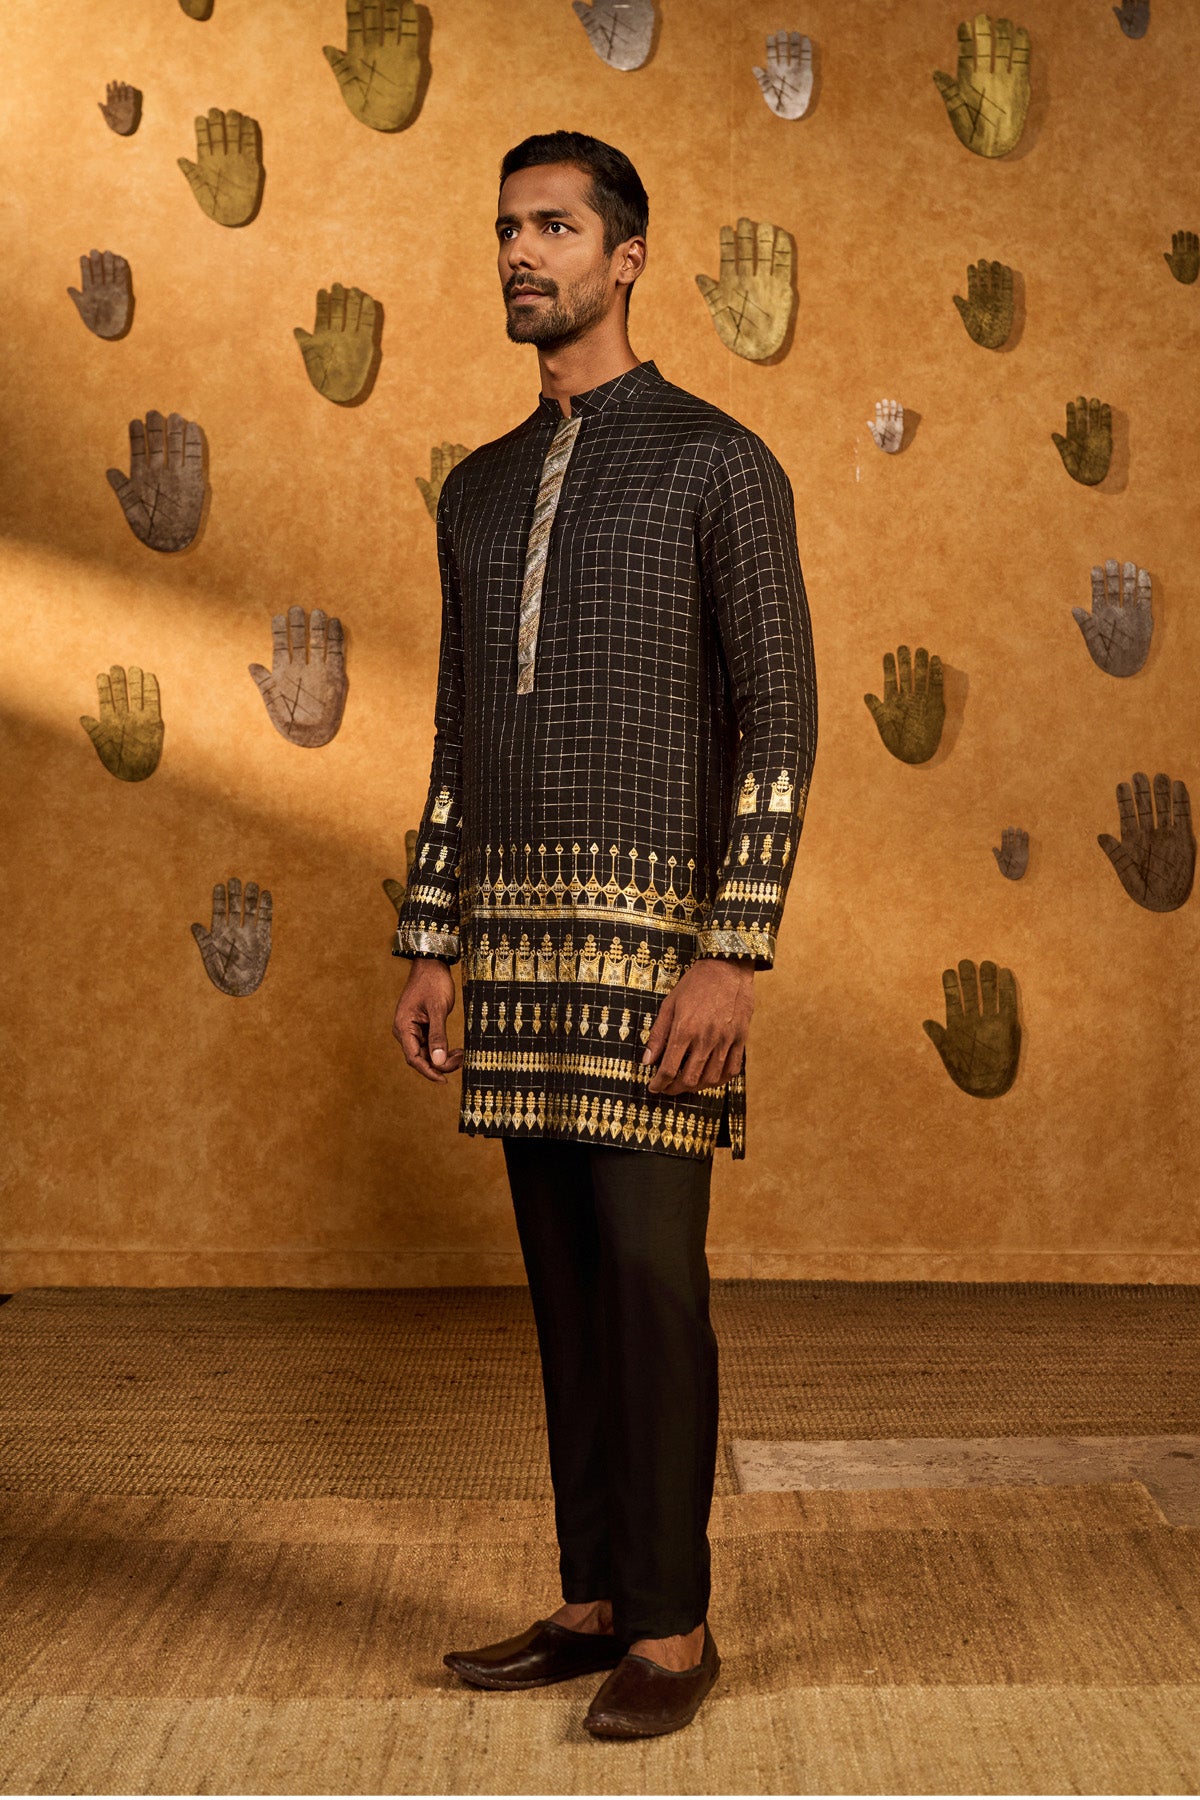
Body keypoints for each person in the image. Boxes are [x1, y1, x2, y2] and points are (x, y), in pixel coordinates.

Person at [392, 129, 817, 1740]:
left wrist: (733, 949)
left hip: (656, 958)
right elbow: (458, 732)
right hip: (514, 949)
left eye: (556, 227)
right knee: (566, 1287)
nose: (523, 253)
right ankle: (592, 1600)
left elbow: (781, 719)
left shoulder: (719, 462)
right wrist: (431, 936)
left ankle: (675, 1628)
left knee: (650, 1283)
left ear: (627, 257)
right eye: (509, 228)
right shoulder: (479, 488)